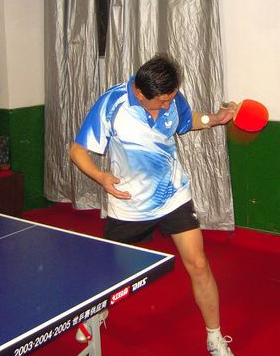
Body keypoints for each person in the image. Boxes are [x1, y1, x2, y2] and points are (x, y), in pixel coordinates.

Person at [69, 54, 236, 356]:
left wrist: (215, 118)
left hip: (173, 196)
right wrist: (101, 177)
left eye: (170, 99)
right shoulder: (112, 103)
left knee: (198, 264)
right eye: (160, 102)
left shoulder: (170, 96)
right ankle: (98, 312)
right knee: (110, 272)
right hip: (128, 203)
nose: (166, 106)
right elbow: (77, 150)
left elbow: (187, 120)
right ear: (138, 92)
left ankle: (214, 336)